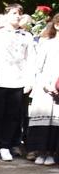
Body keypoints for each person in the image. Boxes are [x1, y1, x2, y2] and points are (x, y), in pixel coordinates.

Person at [0, 13, 31, 161]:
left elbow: (30, 59)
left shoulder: (26, 36)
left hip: (17, 81)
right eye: (13, 14)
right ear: (6, 16)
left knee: (12, 116)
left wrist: (29, 81)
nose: (17, 17)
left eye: (19, 14)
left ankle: (5, 146)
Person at [26, 14, 59, 165]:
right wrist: (46, 84)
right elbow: (38, 67)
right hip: (45, 86)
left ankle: (52, 152)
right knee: (43, 120)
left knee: (55, 123)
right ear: (56, 25)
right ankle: (40, 151)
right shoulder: (47, 44)